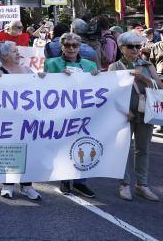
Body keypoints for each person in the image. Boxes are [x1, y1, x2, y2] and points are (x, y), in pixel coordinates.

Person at [44, 32, 98, 198]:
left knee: (84, 144)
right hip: (62, 111)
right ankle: (65, 179)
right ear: (62, 47)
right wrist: (59, 76)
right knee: (64, 145)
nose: (71, 48)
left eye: (75, 45)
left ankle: (81, 182)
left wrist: (97, 76)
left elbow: (99, 86)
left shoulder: (89, 65)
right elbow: (43, 85)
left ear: (79, 47)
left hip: (84, 112)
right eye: (68, 45)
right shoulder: (51, 63)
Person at [109, 31, 162, 201]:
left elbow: (159, 88)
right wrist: (125, 111)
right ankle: (124, 184)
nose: (135, 50)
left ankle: (142, 185)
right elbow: (111, 94)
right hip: (125, 115)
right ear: (122, 47)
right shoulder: (114, 67)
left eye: (138, 46)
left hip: (146, 113)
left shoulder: (147, 65)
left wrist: (144, 79)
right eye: (130, 46)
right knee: (123, 150)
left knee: (143, 149)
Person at [0, 41, 43, 200]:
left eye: (18, 50)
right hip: (7, 122)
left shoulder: (27, 70)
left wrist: (42, 78)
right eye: (14, 51)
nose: (18, 53)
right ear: (5, 55)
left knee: (29, 151)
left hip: (27, 120)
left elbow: (38, 89)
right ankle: (7, 185)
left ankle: (27, 186)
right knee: (9, 151)